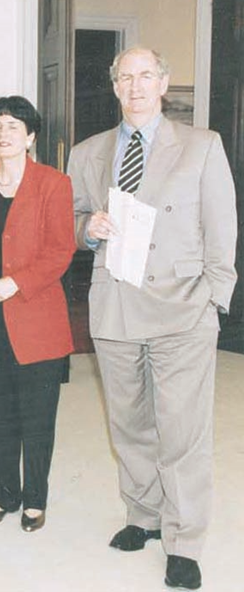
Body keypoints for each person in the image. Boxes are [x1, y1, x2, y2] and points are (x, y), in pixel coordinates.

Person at [68, 47, 237, 591]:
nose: (135, 86)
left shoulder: (201, 145)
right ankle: (142, 514)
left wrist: (214, 297)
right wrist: (85, 229)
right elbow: (71, 220)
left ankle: (183, 539)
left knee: (182, 430)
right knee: (130, 423)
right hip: (115, 305)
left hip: (182, 306)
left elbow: (223, 227)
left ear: (163, 82)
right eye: (125, 77)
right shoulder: (87, 152)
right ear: (114, 86)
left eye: (146, 76)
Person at [0, 96, 75, 533]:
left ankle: (34, 500)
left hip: (37, 319)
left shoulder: (53, 183)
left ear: (30, 136)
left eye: (13, 126)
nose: (3, 133)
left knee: (36, 417)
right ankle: (4, 495)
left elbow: (60, 250)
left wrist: (18, 282)